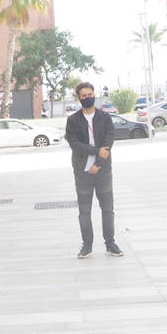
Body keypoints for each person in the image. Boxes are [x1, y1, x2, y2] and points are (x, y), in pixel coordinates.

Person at [64, 82, 120, 259]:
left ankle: (110, 243)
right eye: (84, 96)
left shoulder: (105, 117)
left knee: (108, 209)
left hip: (103, 171)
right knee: (84, 211)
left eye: (90, 94)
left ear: (94, 95)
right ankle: (87, 245)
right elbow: (75, 145)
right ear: (79, 98)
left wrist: (98, 163)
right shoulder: (73, 120)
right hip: (82, 172)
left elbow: (108, 142)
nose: (88, 98)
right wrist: (95, 151)